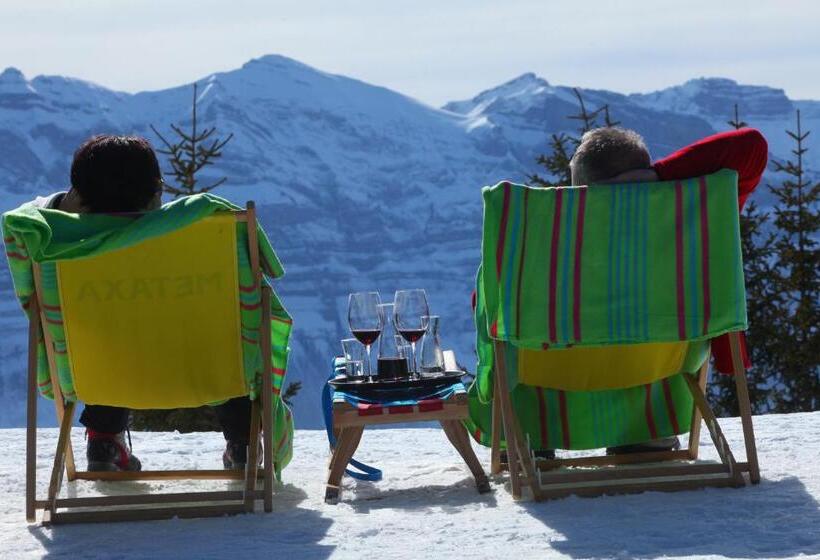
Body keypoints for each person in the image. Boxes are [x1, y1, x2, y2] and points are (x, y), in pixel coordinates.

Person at [31, 134, 255, 472]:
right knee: (227, 333)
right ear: (153, 192)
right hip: (201, 369)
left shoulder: (61, 247)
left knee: (100, 335)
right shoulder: (204, 237)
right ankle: (243, 442)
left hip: (101, 372)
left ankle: (104, 441)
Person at [569, 126, 768, 453]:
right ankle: (646, 430)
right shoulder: (693, 212)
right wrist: (657, 181)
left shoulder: (564, 235)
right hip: (667, 373)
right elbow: (751, 145)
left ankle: (524, 436)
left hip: (566, 390)